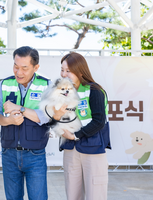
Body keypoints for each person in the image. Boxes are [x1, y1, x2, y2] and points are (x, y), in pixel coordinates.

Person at [53, 52, 111, 200]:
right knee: (73, 194)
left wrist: (75, 135)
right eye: (62, 70)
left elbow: (99, 121)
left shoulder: (95, 90)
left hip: (93, 149)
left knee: (95, 194)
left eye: (68, 71)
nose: (64, 74)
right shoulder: (63, 92)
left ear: (80, 71)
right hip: (71, 150)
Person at [0, 46, 50, 200]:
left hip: (35, 155)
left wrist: (20, 109)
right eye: (16, 66)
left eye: (24, 68)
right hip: (9, 154)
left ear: (36, 67)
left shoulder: (46, 85)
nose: (19, 72)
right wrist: (8, 120)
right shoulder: (4, 85)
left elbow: (46, 116)